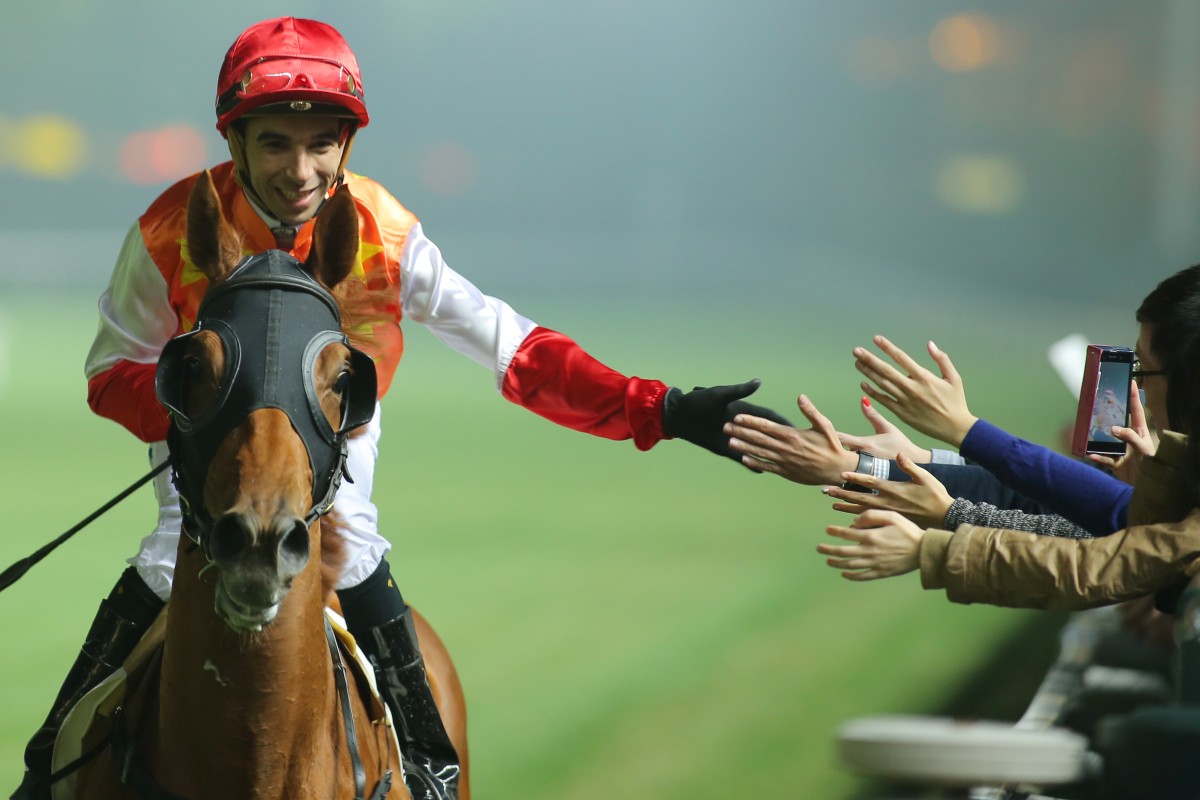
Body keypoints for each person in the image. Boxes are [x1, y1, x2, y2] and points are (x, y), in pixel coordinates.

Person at [11, 17, 788, 800]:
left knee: (349, 543)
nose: (300, 170)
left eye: (321, 144)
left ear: (345, 144)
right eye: (275, 143)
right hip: (210, 434)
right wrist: (204, 412)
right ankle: (49, 765)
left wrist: (661, 408)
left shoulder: (385, 232)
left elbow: (513, 349)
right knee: (169, 550)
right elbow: (111, 370)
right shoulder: (170, 226)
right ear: (235, 141)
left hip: (332, 427)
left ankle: (428, 761)